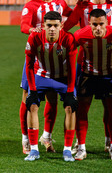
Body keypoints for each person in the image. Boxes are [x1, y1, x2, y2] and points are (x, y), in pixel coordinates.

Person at [63, 0, 112, 154]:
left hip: (108, 63)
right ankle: (79, 144)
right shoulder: (84, 5)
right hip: (85, 63)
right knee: (81, 107)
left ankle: (109, 142)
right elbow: (67, 28)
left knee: (110, 107)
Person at [20, 0, 73, 155]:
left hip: (57, 58)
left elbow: (72, 17)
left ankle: (46, 136)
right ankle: (26, 138)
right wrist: (32, 29)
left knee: (52, 99)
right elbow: (23, 25)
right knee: (27, 98)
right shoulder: (32, 5)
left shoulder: (61, 4)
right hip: (36, 57)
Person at [73, 9, 112, 161]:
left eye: (101, 24)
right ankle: (81, 148)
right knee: (82, 111)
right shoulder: (80, 35)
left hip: (110, 77)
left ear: (107, 22)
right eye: (94, 24)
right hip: (88, 76)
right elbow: (69, 51)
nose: (98, 28)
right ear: (89, 23)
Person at [24, 11, 77, 162]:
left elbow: (73, 68)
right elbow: (28, 66)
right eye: (49, 26)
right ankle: (34, 149)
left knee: (70, 107)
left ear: (61, 26)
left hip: (63, 78)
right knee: (32, 105)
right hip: (41, 75)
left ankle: (67, 150)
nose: (52, 29)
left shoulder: (68, 38)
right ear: (43, 26)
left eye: (55, 25)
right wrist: (32, 90)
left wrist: (69, 92)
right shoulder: (34, 37)